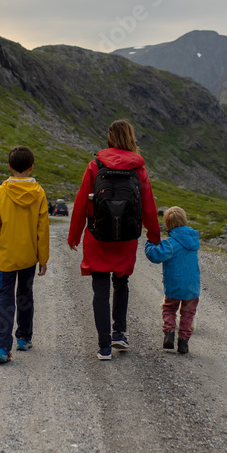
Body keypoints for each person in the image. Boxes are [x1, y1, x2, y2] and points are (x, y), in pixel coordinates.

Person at [68, 120, 160, 360]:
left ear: (109, 137)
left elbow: (80, 204)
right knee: (121, 283)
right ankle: (119, 332)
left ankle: (104, 346)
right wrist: (153, 234)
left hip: (98, 235)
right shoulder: (139, 169)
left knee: (100, 290)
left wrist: (74, 235)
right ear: (131, 138)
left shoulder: (95, 165)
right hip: (126, 237)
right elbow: (148, 207)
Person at [0, 145, 50, 364]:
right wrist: (43, 258)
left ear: (10, 167)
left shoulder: (0, 192)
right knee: (25, 294)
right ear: (31, 167)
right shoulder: (39, 192)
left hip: (5, 256)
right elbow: (42, 228)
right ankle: (23, 337)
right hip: (28, 256)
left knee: (4, 298)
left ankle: (3, 348)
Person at [144, 206, 201, 355]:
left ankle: (169, 333)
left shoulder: (170, 243)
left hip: (175, 285)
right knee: (188, 314)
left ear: (167, 224)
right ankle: (184, 342)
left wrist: (149, 244)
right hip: (192, 287)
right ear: (185, 220)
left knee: (169, 308)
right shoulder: (193, 240)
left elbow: (155, 255)